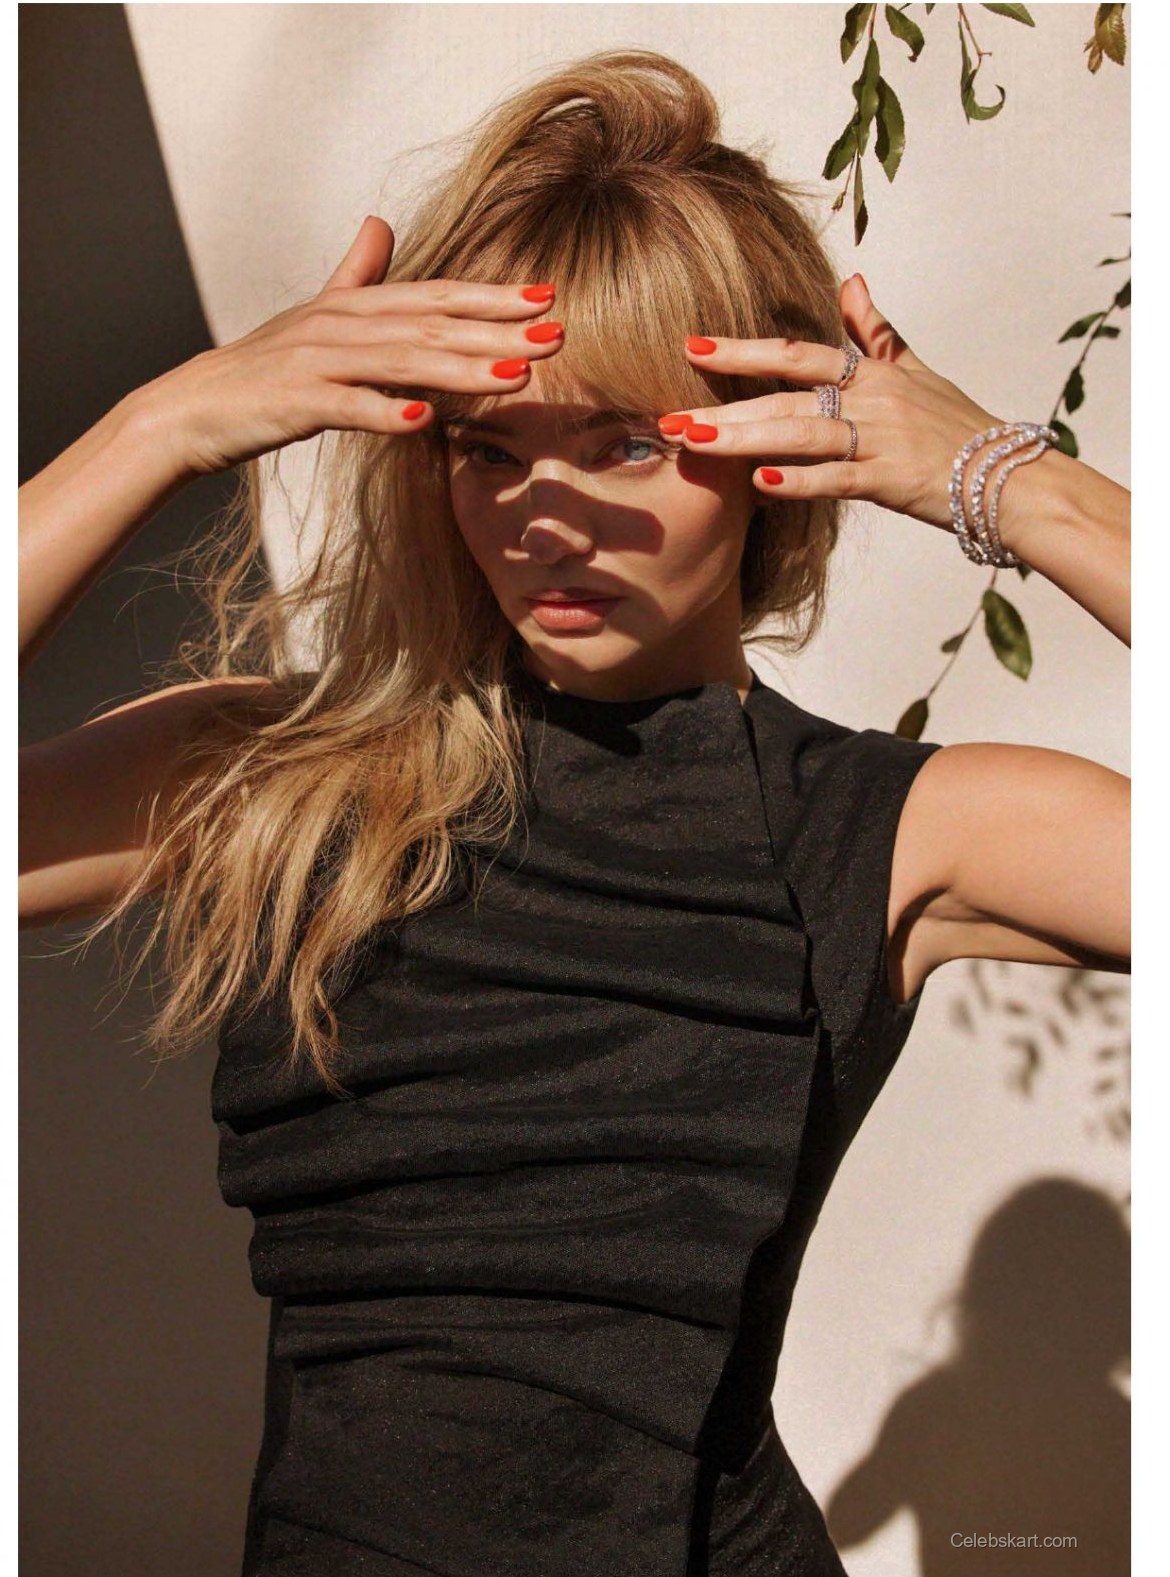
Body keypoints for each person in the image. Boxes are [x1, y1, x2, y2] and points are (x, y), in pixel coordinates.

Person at [19, 47, 1128, 1577]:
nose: (541, 513)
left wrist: (1013, 483)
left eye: (621, 440)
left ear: (768, 458)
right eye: (489, 446)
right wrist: (159, 423)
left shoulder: (884, 832)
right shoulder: (286, 775)